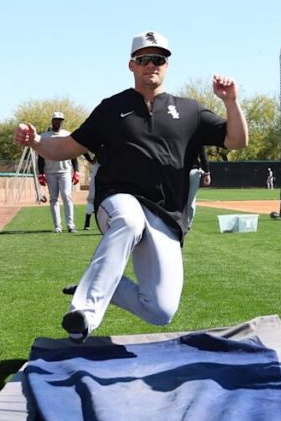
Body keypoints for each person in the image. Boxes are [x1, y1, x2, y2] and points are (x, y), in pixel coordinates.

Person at [15, 31, 248, 342]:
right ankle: (84, 312)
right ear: (131, 65)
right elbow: (68, 147)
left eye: (158, 59)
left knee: (160, 311)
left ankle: (102, 283)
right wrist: (37, 142)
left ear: (166, 65)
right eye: (143, 59)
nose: (151, 64)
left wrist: (231, 102)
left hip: (166, 215)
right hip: (118, 201)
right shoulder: (112, 108)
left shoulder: (190, 110)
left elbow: (237, 140)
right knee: (129, 220)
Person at [36, 112, 80, 232]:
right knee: (54, 199)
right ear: (52, 120)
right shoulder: (44, 136)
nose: (58, 122)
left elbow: (74, 154)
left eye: (60, 120)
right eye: (56, 119)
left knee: (67, 196)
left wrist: (76, 171)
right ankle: (57, 226)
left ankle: (70, 225)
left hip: (65, 171)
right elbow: (40, 156)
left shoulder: (67, 135)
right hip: (50, 172)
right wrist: (41, 173)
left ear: (63, 121)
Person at [185, 147, 211, 228]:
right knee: (191, 199)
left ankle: (179, 221)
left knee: (179, 198)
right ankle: (188, 224)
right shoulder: (196, 135)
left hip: (180, 170)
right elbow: (203, 155)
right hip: (194, 171)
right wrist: (207, 172)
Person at [81, 148, 104, 231]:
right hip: (98, 165)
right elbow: (83, 147)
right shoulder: (98, 138)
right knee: (93, 195)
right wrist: (90, 159)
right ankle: (87, 222)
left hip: (111, 166)